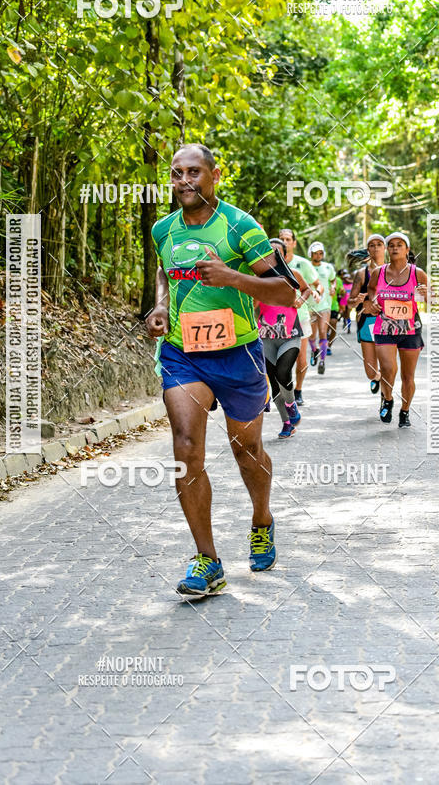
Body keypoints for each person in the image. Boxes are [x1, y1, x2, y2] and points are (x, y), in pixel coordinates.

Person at [146, 143, 297, 599]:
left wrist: (233, 278)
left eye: (194, 172)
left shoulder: (240, 227)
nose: (184, 181)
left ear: (214, 175)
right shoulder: (163, 229)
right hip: (181, 353)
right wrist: (161, 303)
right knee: (186, 446)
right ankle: (207, 561)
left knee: (246, 449)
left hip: (239, 354)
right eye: (176, 174)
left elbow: (287, 293)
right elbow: (164, 272)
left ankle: (262, 520)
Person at [366, 232, 428, 427]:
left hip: (410, 329)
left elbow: (432, 299)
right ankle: (388, 398)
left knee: (407, 376)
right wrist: (373, 302)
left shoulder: (417, 273)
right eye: (391, 245)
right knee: (388, 368)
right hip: (384, 327)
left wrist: (428, 295)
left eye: (399, 244)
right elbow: (371, 290)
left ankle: (405, 411)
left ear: (407, 250)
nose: (394, 248)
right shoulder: (379, 272)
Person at [257, 238, 312, 438]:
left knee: (283, 372)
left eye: (276, 252)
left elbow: (307, 289)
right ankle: (287, 422)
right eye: (267, 252)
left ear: (284, 255)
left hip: (291, 334)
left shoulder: (292, 274)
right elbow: (252, 303)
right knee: (273, 381)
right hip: (266, 337)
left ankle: (291, 404)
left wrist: (300, 299)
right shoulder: (257, 278)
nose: (271, 256)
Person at [279, 228, 321, 406]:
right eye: (282, 239)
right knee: (276, 358)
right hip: (276, 318)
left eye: (288, 239)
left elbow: (317, 285)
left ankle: (298, 390)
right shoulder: (268, 263)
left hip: (299, 316)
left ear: (294, 243)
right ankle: (280, 392)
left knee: (301, 358)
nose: (285, 242)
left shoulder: (302, 264)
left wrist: (317, 293)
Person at [348, 234, 386, 394]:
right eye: (372, 245)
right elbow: (350, 302)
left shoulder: (393, 271)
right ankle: (377, 378)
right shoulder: (362, 274)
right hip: (367, 322)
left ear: (385, 248)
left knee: (388, 365)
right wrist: (358, 300)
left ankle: (386, 399)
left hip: (388, 322)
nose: (376, 248)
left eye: (379, 244)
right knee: (370, 371)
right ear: (368, 250)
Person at [308, 241, 336, 375]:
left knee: (323, 331)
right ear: (311, 254)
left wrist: (333, 287)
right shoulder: (307, 266)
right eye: (315, 253)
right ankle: (314, 351)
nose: (318, 256)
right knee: (312, 335)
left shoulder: (328, 267)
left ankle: (322, 361)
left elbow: (333, 279)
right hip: (310, 306)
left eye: (320, 253)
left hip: (325, 305)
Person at [327, 271, 345, 352]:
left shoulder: (338, 280)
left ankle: (329, 346)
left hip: (334, 306)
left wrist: (342, 291)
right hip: (323, 307)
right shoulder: (322, 278)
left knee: (333, 324)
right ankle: (324, 341)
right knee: (325, 328)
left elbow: (343, 294)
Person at [338, 269, 354, 333]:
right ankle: (344, 322)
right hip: (343, 301)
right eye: (345, 278)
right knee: (344, 313)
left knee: (348, 314)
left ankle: (349, 328)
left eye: (348, 278)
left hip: (349, 301)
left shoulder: (352, 285)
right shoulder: (341, 284)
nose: (346, 279)